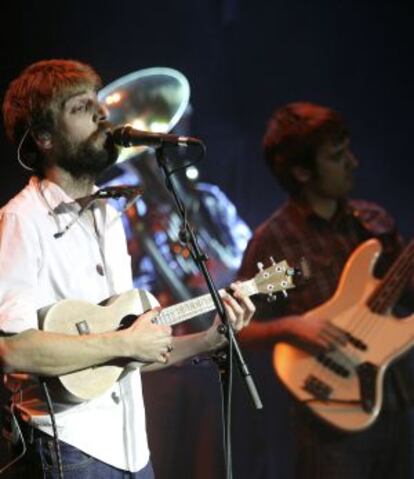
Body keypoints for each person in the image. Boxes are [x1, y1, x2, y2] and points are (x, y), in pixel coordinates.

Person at [0, 59, 255, 478]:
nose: (104, 115)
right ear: (44, 138)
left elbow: (128, 349)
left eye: (99, 104)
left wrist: (207, 340)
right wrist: (126, 344)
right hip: (69, 449)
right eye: (82, 109)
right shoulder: (21, 221)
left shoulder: (109, 216)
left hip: (132, 453)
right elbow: (13, 350)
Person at [236, 102, 414, 479]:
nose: (353, 163)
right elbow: (238, 327)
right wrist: (289, 328)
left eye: (348, 150)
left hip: (399, 398)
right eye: (336, 156)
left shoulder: (373, 222)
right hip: (329, 418)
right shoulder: (277, 241)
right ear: (302, 171)